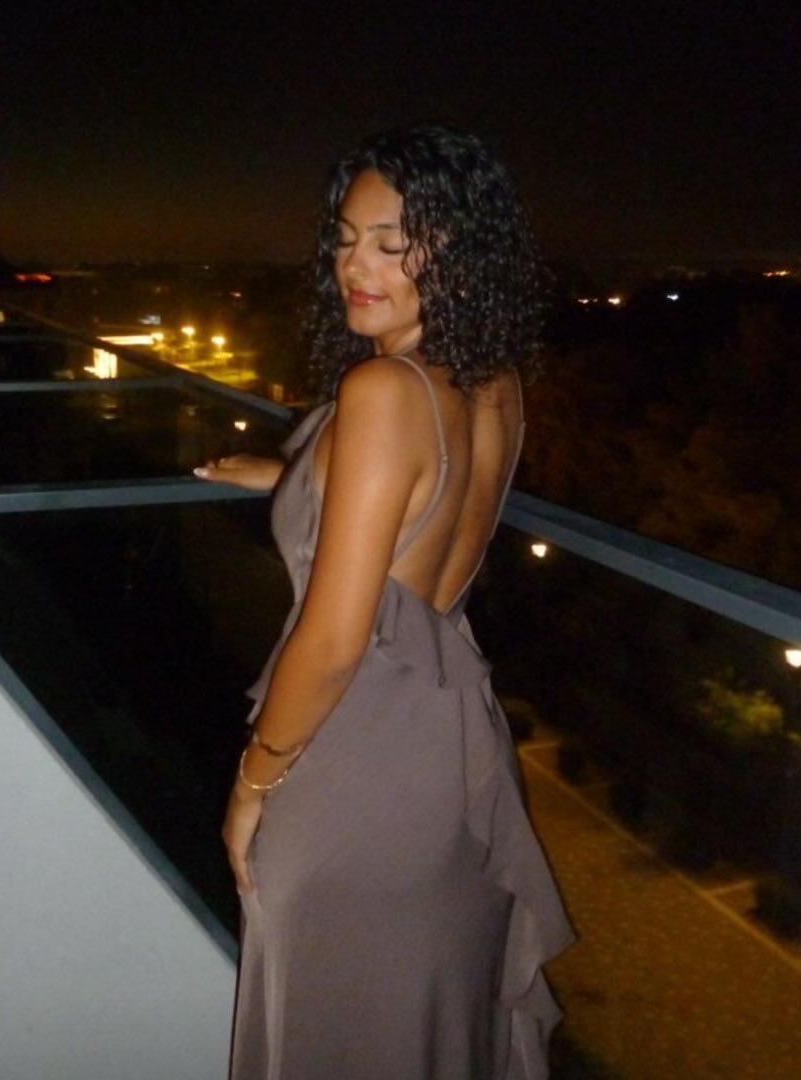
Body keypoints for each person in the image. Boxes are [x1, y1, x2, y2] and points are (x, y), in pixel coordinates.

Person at [195, 124, 574, 1080]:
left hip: (349, 760)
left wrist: (252, 783)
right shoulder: (493, 382)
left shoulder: (382, 391)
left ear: (455, 251)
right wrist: (283, 476)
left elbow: (333, 640)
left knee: (329, 1027)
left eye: (390, 243)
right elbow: (418, 504)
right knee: (418, 1024)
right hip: (446, 757)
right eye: (344, 239)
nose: (352, 267)